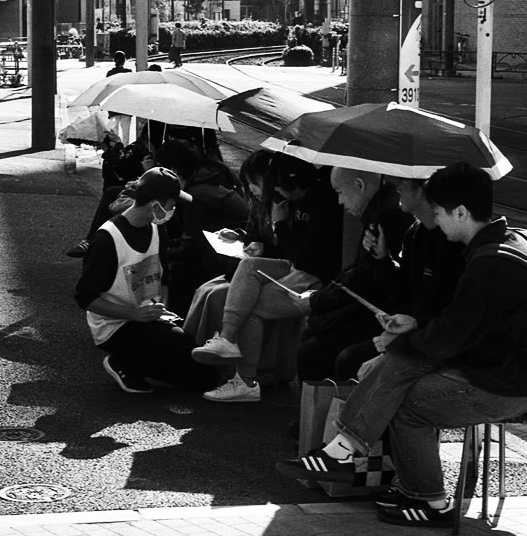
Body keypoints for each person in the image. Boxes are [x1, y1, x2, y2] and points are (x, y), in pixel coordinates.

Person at [276, 162, 527, 528]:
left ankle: (416, 493)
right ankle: (388, 476)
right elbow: (458, 326)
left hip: (507, 384)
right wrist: (413, 325)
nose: (431, 218)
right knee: (403, 365)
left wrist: (399, 340)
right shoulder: (505, 243)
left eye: (437, 211)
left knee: (407, 397)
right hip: (500, 368)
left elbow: (449, 338)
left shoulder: (488, 264)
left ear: (460, 212)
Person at [191, 154, 343, 403]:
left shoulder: (321, 204)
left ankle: (246, 381)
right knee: (249, 267)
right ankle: (226, 338)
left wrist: (280, 226)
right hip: (297, 267)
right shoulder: (289, 200)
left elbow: (304, 257)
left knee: (250, 307)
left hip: (316, 275)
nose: (277, 193)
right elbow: (279, 247)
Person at [75, 167, 221, 394]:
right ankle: (124, 363)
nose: (173, 211)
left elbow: (164, 277)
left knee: (203, 365)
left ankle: (140, 362)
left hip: (149, 317)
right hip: (115, 326)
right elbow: (85, 297)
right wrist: (135, 315)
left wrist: (163, 309)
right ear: (155, 206)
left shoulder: (155, 229)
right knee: (187, 356)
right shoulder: (107, 239)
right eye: (172, 205)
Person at [294, 168, 415, 384]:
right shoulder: (381, 211)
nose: (339, 201)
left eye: (340, 192)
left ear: (359, 185)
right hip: (382, 302)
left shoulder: (386, 215)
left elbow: (365, 278)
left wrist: (318, 300)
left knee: (316, 350)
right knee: (312, 336)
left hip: (385, 310)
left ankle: (323, 414)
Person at [153, 140, 249, 317]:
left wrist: (159, 252)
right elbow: (190, 238)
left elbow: (191, 247)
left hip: (232, 255)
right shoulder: (204, 180)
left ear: (173, 170)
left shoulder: (195, 196)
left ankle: (179, 322)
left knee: (178, 270)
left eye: (160, 167)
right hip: (224, 246)